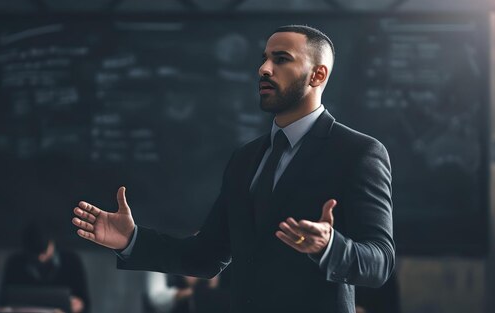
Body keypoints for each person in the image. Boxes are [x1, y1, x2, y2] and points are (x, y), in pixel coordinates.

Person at [72, 25, 395, 313]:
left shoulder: (358, 152)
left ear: (317, 75)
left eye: (281, 59)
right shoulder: (247, 157)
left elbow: (380, 263)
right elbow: (206, 256)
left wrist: (330, 247)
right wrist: (132, 239)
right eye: (264, 58)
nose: (264, 69)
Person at [2, 222, 90, 313]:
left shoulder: (71, 262)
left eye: (43, 252)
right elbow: (4, 301)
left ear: (51, 242)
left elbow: (85, 303)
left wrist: (78, 305)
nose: (40, 258)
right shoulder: (15, 264)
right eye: (34, 254)